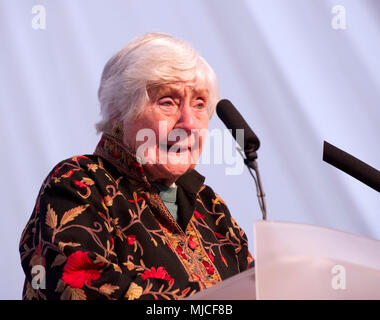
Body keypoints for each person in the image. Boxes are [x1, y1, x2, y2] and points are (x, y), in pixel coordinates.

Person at [19, 32, 253, 300]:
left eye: (199, 104)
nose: (189, 122)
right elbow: (78, 284)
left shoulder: (210, 207)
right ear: (119, 112)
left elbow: (262, 287)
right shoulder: (78, 182)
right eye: (168, 101)